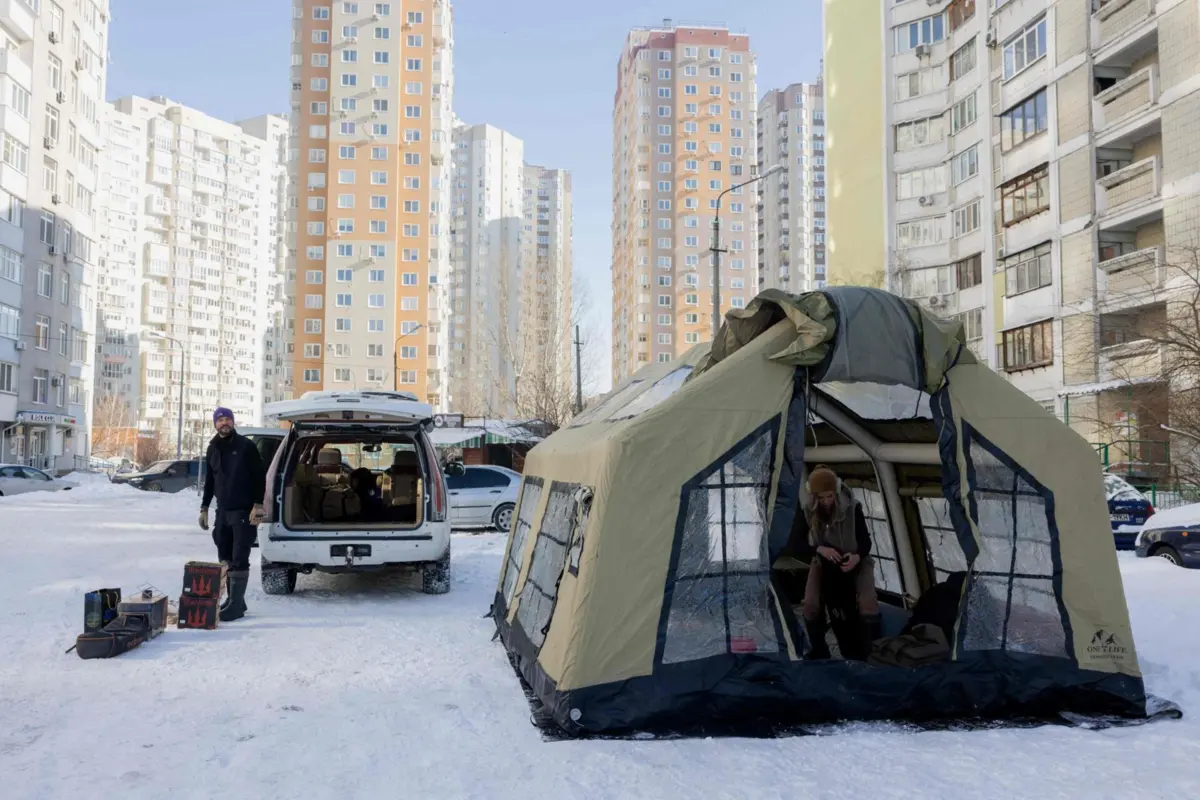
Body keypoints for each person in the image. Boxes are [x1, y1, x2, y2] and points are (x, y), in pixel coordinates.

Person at [801, 465, 881, 660]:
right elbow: (800, 544)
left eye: (830, 496)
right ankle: (820, 651)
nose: (827, 501)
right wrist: (820, 549)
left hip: (856, 559)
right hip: (824, 560)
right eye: (821, 498)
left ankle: (869, 652)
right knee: (811, 604)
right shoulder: (808, 511)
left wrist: (856, 557)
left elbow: (866, 543)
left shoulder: (853, 508)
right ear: (814, 497)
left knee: (867, 603)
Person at [199, 407, 266, 622]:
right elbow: (210, 481)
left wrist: (258, 505)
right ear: (215, 424)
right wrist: (204, 507)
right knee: (224, 554)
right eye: (220, 420)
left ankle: (236, 605)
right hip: (222, 512)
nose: (224, 423)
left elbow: (259, 477)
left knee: (239, 556)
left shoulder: (246, 447)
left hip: (243, 511)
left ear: (233, 422)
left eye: (227, 419)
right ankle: (233, 599)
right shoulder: (212, 448)